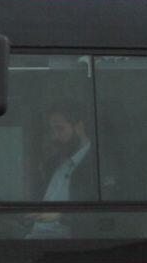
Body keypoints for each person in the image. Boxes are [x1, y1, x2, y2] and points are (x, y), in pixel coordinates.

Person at [27, 100, 97, 239]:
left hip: (69, 242)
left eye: (60, 129)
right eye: (52, 130)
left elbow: (103, 216)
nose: (55, 136)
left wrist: (61, 216)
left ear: (79, 127)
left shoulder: (98, 165)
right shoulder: (53, 164)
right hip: (35, 235)